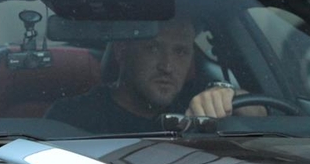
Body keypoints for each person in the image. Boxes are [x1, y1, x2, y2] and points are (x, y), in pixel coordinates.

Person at [41, 15, 243, 133]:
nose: (167, 66)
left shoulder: (197, 102)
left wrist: (228, 96)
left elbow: (264, 110)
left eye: (180, 52)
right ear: (122, 52)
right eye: (153, 48)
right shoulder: (72, 116)